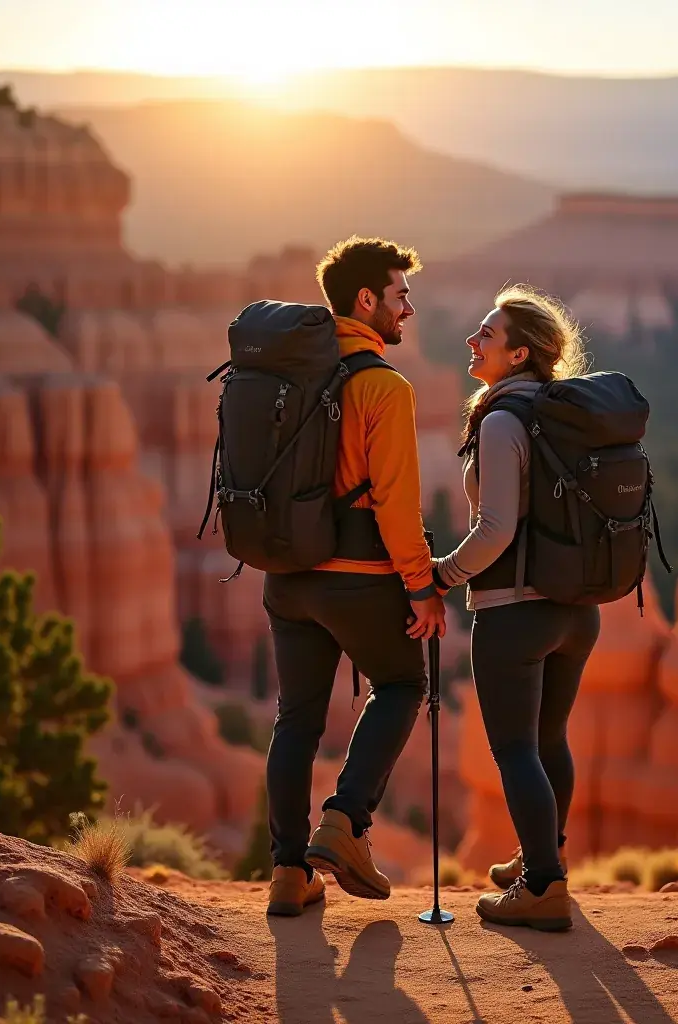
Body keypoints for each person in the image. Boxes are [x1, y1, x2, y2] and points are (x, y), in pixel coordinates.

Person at [264, 237, 446, 917]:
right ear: (366, 301)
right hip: (359, 577)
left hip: (288, 576)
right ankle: (344, 822)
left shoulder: (289, 375)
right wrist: (422, 588)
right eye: (401, 295)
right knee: (402, 684)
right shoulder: (382, 386)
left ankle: (289, 873)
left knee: (295, 720)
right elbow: (397, 505)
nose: (410, 308)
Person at [433, 285, 600, 932]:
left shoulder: (504, 421)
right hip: (576, 611)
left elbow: (497, 528)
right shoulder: (564, 413)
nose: (474, 342)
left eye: (487, 335)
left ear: (520, 353)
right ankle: (543, 855)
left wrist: (443, 574)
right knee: (548, 739)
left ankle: (543, 887)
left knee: (513, 748)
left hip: (516, 612)